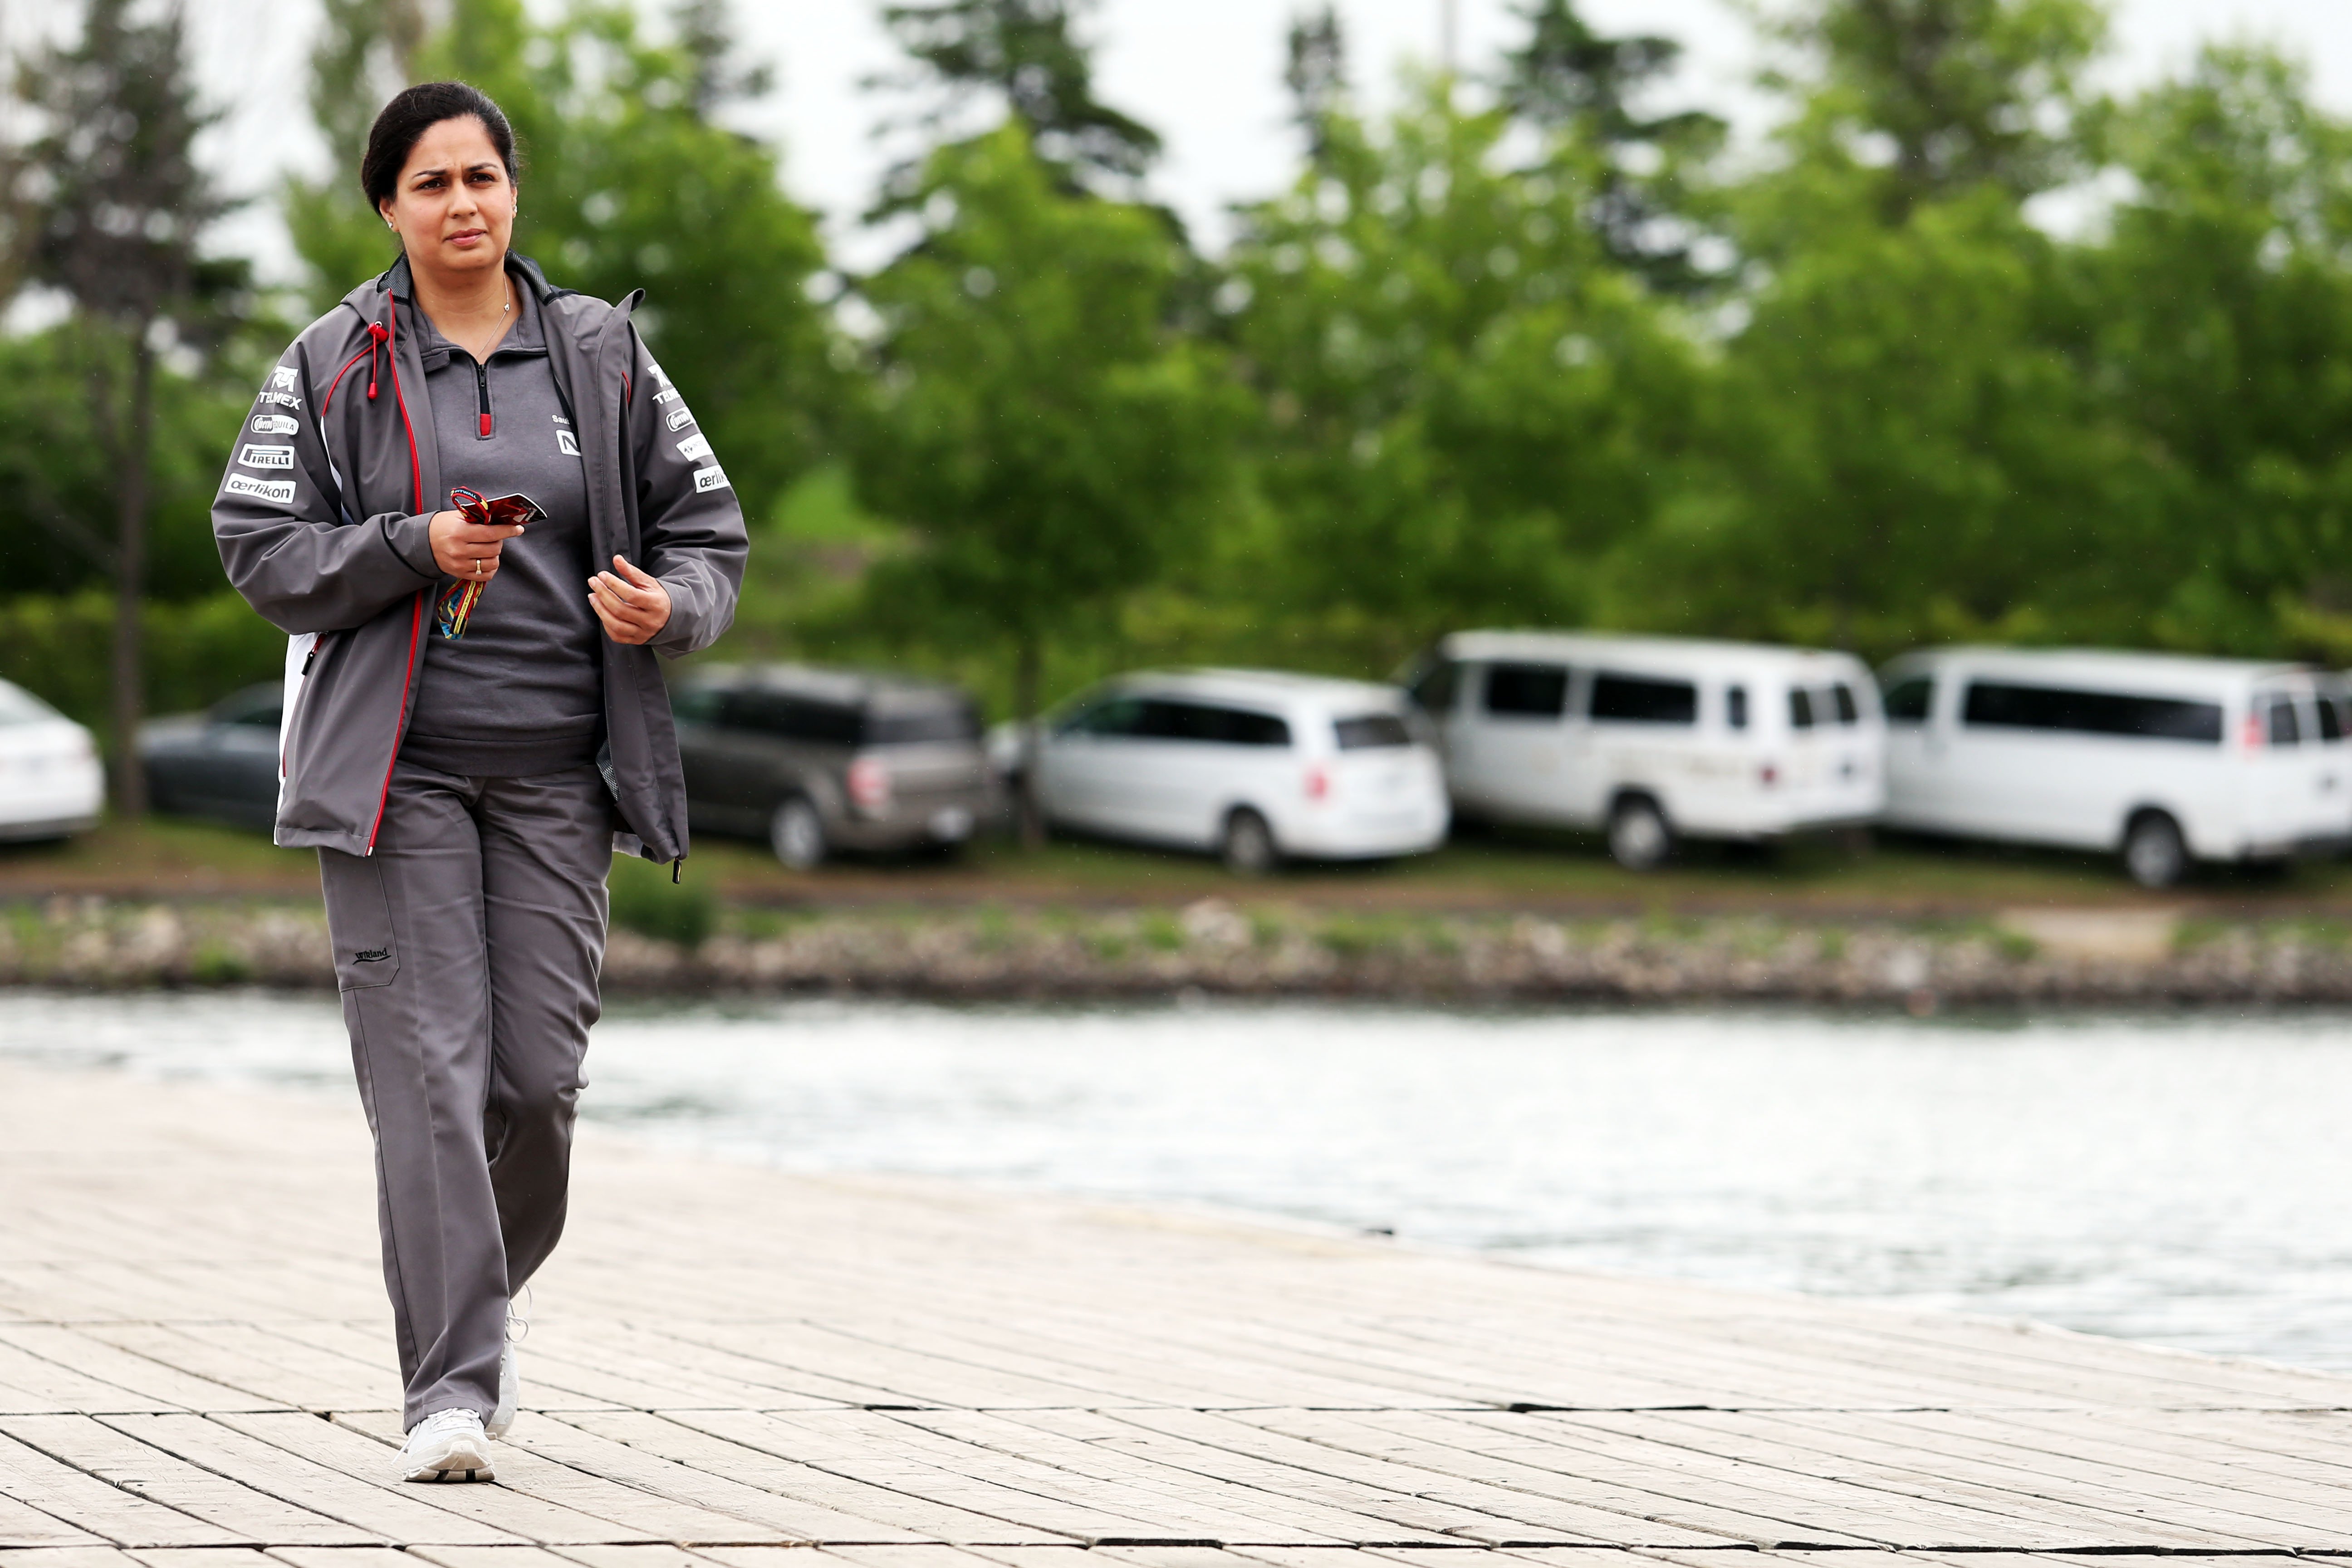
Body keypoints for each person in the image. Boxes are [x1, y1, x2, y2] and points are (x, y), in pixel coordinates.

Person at [213, 81, 746, 1483]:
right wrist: (406, 546)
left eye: (482, 178)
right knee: (432, 1086)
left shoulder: (607, 356)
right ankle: (450, 1385)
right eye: (431, 183)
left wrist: (669, 609)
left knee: (534, 1090)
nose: (463, 203)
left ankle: (462, 1300)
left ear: (514, 192)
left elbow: (712, 533)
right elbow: (260, 547)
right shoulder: (332, 360)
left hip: (564, 779)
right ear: (390, 207)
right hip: (397, 783)